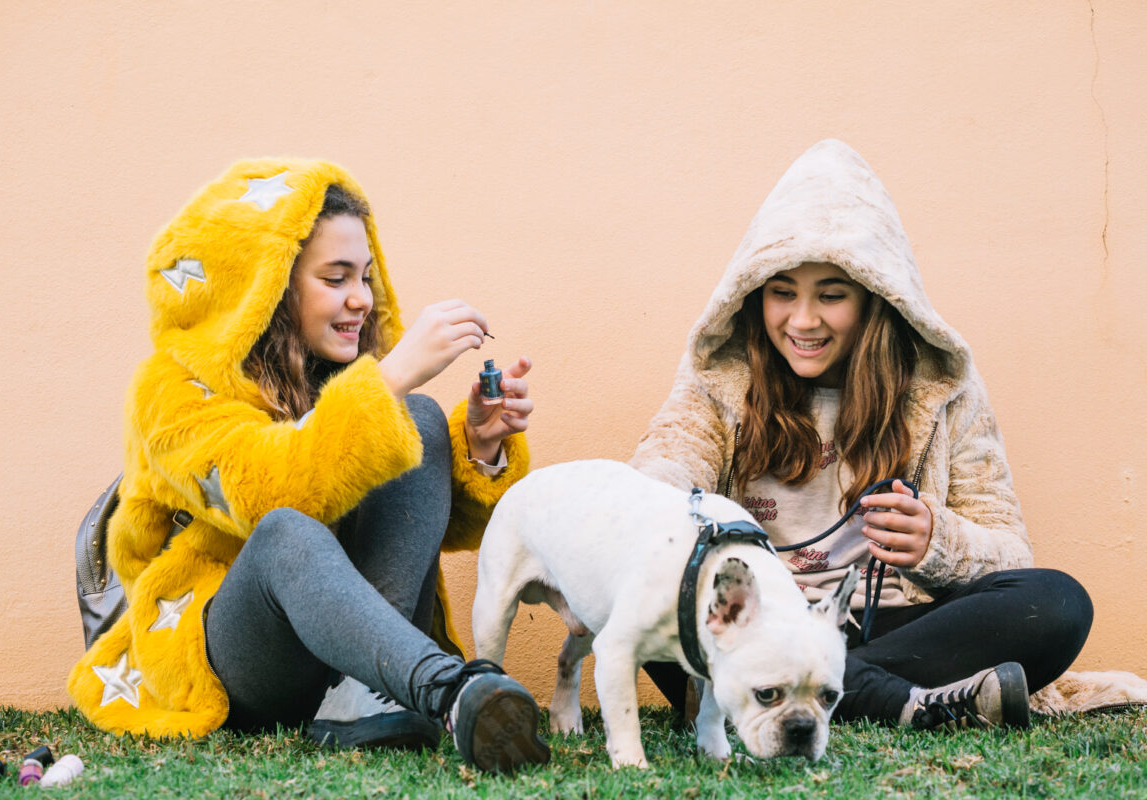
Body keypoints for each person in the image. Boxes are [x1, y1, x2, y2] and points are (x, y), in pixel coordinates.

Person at [67, 158, 550, 773]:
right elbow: (269, 494)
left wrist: (481, 449)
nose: (361, 299)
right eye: (336, 277)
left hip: (340, 654)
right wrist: (391, 376)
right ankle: (445, 690)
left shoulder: (346, 377)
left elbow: (424, 531)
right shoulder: (170, 391)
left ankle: (361, 695)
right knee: (286, 531)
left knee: (424, 419)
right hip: (233, 658)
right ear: (269, 286)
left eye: (366, 276)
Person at [630, 140, 1093, 730]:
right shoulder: (721, 376)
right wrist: (662, 513)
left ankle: (793, 693)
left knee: (1057, 602)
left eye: (831, 294)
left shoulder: (940, 384)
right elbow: (663, 470)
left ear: (875, 296)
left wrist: (935, 541)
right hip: (755, 622)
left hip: (897, 623)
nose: (802, 320)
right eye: (782, 292)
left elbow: (1008, 550)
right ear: (754, 293)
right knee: (646, 583)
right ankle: (891, 698)